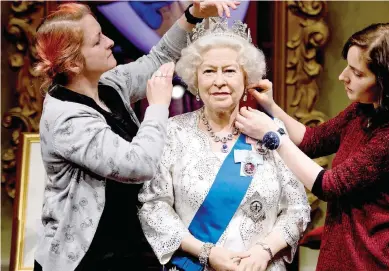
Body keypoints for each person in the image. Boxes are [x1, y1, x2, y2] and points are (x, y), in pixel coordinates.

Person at [34, 2, 240, 271]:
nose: (110, 42)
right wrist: (157, 107)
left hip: (129, 246)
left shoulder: (107, 85)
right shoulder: (66, 118)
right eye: (98, 41)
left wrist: (192, 15)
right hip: (90, 258)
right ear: (73, 62)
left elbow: (159, 58)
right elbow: (137, 165)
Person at [236, 23, 389, 270]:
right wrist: (272, 107)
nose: (343, 76)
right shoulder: (365, 110)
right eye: (348, 65)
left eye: (357, 73)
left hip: (378, 262)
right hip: (346, 254)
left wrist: (274, 137)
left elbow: (329, 185)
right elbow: (312, 140)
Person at [137, 17, 311, 271]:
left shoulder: (269, 131)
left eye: (229, 70)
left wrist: (264, 252)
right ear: (195, 81)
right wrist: (206, 252)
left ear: (246, 79)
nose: (219, 81)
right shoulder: (172, 132)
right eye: (209, 71)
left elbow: (297, 208)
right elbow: (153, 205)